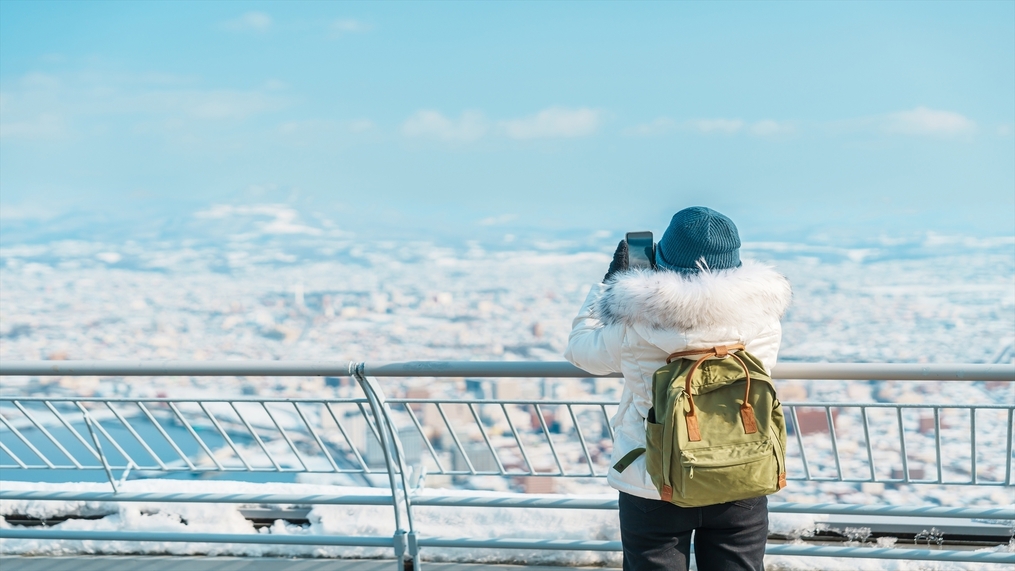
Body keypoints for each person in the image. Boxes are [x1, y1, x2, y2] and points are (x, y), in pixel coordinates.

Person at [565, 206, 792, 571]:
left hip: (653, 479)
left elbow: (580, 351)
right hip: (742, 472)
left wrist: (609, 291)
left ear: (660, 260)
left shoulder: (635, 322)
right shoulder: (763, 317)